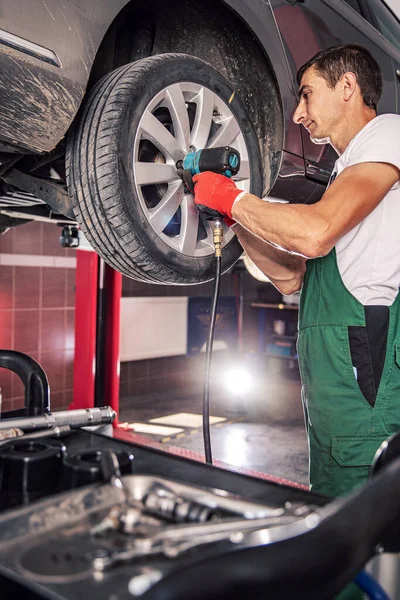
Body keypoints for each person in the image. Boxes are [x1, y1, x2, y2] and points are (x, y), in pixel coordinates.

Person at [193, 44, 400, 500]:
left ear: (348, 87)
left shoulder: (390, 135)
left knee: (358, 526)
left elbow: (315, 233)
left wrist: (234, 199)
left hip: (362, 381)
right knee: (332, 507)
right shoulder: (345, 173)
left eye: (307, 95)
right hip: (332, 391)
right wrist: (236, 219)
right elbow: (291, 276)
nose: (299, 115)